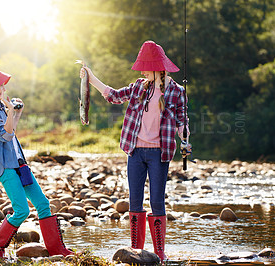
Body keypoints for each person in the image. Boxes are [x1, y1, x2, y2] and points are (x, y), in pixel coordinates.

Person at [80, 40, 191, 261]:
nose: (141, 70)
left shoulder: (177, 91)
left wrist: (186, 138)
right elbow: (113, 95)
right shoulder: (139, 86)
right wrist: (91, 78)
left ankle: (159, 253)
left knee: (157, 202)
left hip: (160, 154)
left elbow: (182, 121)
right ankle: (136, 251)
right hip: (135, 152)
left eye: (145, 65)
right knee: (135, 201)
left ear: (158, 67)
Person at [0, 65, 74, 258]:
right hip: (5, 166)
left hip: (19, 163)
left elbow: (12, 132)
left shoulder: (0, 107)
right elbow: (5, 135)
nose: (5, 90)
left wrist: (15, 112)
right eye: (1, 86)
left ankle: (57, 250)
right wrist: (10, 110)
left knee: (43, 204)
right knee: (21, 210)